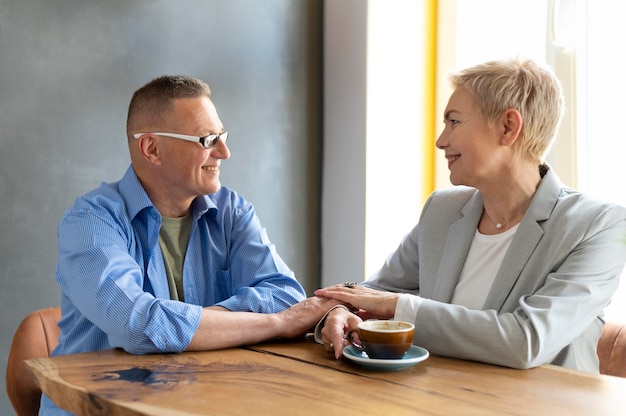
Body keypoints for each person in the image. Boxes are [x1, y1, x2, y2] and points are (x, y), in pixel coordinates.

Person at [41, 75, 338, 415]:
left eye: (221, 136)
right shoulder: (90, 222)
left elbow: (285, 294)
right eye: (207, 139)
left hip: (197, 402)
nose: (224, 152)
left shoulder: (232, 211)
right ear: (151, 148)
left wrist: (193, 323)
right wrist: (278, 323)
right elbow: (137, 327)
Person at [314, 58, 626, 372]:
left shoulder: (600, 227)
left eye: (454, 122)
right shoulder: (442, 210)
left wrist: (399, 308)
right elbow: (373, 294)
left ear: (508, 127)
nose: (441, 140)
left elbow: (526, 341)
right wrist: (341, 310)